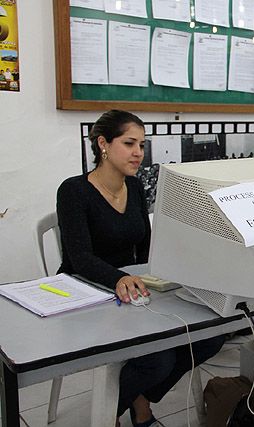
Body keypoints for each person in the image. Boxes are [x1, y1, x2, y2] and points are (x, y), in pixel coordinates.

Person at [56, 110, 225, 427]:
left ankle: (140, 396)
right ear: (103, 144)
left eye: (142, 145)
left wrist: (174, 270)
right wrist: (120, 277)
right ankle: (117, 410)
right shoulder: (73, 191)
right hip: (89, 290)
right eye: (129, 143)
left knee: (209, 339)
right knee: (158, 359)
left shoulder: (133, 188)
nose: (138, 153)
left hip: (132, 288)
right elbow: (79, 258)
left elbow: (146, 247)